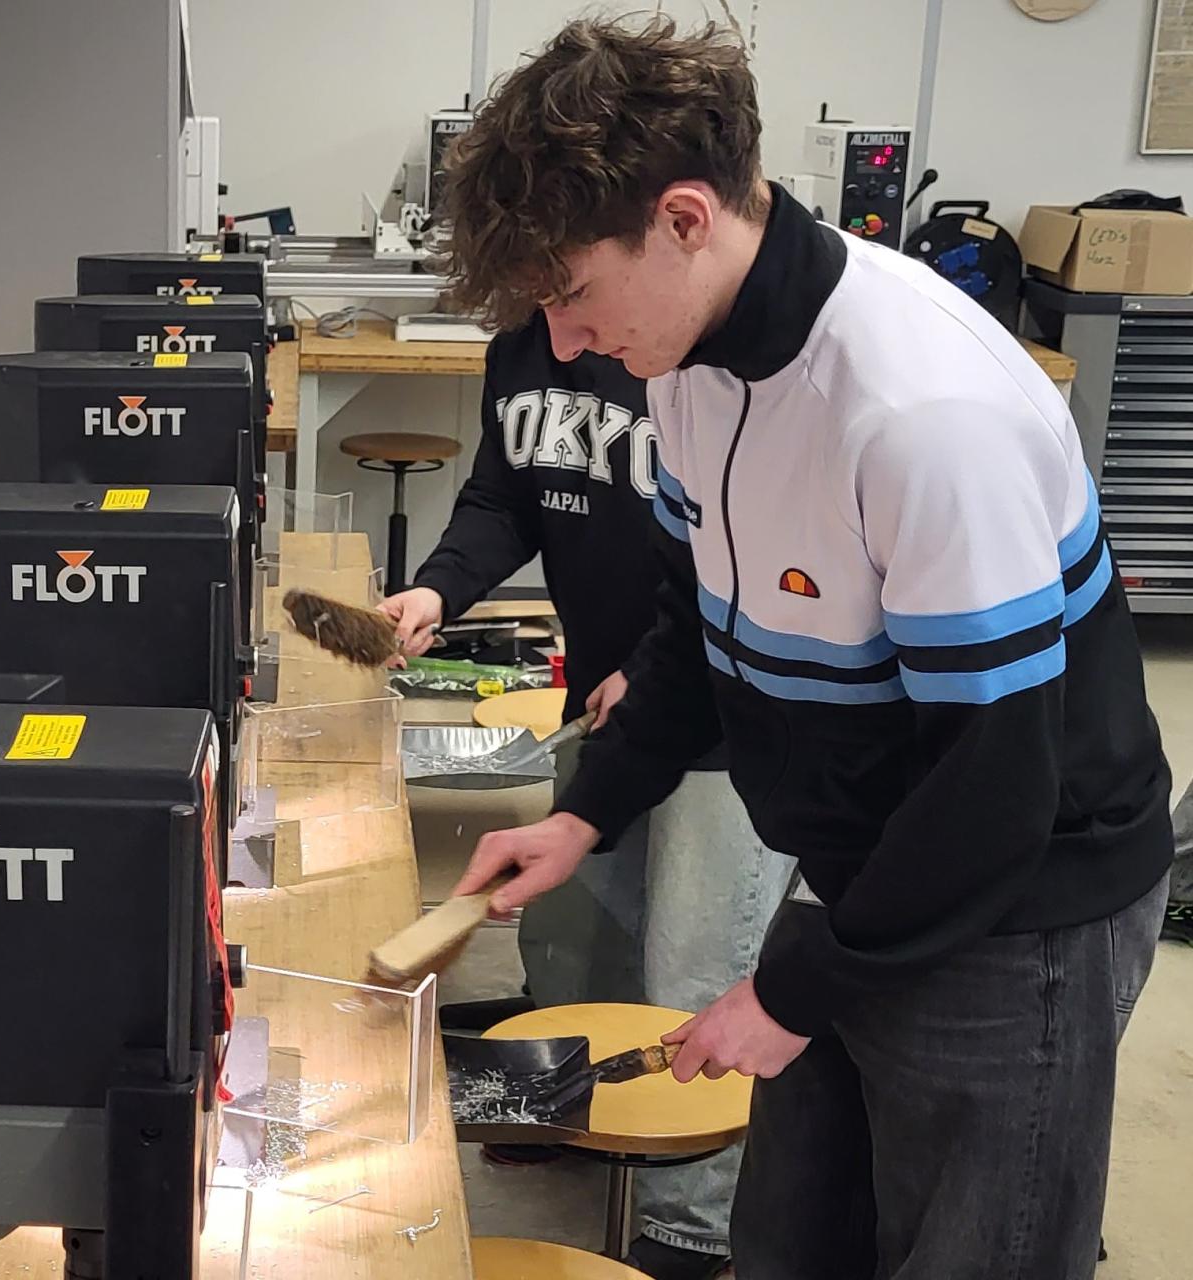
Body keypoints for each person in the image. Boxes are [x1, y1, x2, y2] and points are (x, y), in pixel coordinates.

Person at [445, 17, 1173, 1280]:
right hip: (863, 866)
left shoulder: (921, 413)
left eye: (569, 292)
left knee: (967, 1253)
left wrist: (793, 989)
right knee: (789, 1237)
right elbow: (696, 627)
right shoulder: (686, 361)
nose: (561, 341)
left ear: (683, 218)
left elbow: (995, 783)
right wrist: (588, 810)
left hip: (1018, 903)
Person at [381, 312, 788, 1278]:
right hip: (606, 708)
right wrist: (438, 591)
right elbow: (503, 499)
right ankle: (570, 1113)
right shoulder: (523, 350)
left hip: (719, 719)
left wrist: (653, 669)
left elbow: (750, 557)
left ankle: (693, 1225)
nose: (560, 334)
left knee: (695, 969)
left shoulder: (693, 358)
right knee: (574, 940)